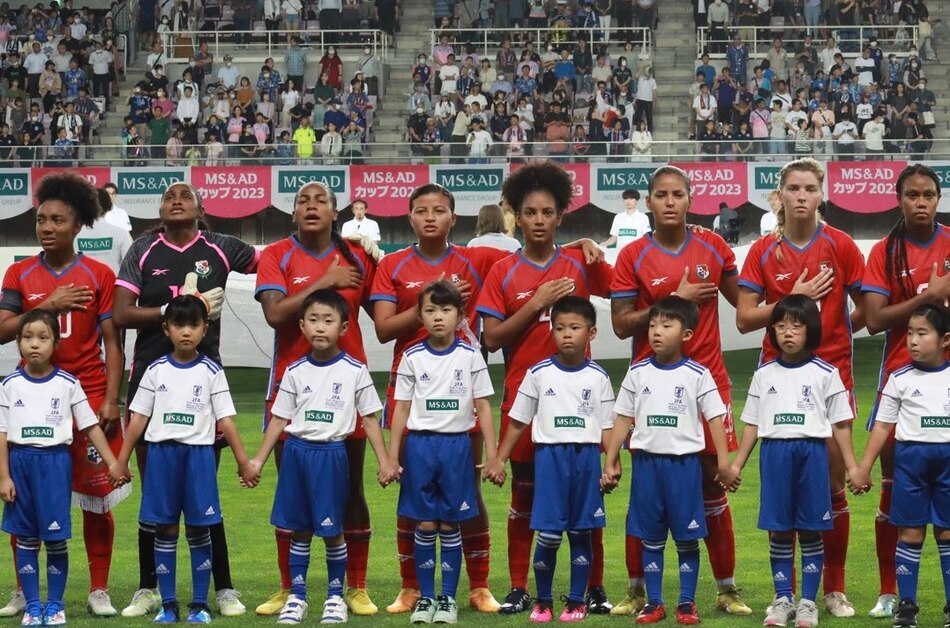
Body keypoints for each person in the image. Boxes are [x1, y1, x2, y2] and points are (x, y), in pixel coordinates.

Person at [113, 183, 259, 619]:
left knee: (203, 498)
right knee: (154, 499)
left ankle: (224, 588)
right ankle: (148, 588)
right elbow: (121, 313)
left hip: (202, 385)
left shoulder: (221, 247)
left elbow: (276, 260)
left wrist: (345, 245)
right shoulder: (142, 249)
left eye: (184, 195)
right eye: (168, 196)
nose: (176, 199)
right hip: (149, 381)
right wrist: (175, 308)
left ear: (199, 207)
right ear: (160, 209)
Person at [609, 166, 748, 618]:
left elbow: (745, 306)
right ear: (649, 201)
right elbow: (621, 324)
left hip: (707, 384)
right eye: (661, 195)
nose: (669, 202)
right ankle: (636, 591)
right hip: (650, 389)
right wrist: (676, 295)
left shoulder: (714, 246)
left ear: (690, 199)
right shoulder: (632, 255)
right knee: (645, 490)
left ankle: (727, 590)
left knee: (713, 485)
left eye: (677, 194)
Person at [476, 162, 614, 615]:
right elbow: (491, 339)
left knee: (586, 499)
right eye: (530, 212)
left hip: (580, 404)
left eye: (547, 212)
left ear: (560, 217)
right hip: (525, 400)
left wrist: (589, 246)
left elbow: (621, 289)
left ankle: (593, 587)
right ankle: (520, 587)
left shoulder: (579, 263)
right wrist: (536, 302)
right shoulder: (503, 271)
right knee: (525, 497)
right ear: (516, 216)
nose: (538, 220)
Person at [736, 157, 866, 619]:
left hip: (831, 375)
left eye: (810, 188)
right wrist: (795, 297)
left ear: (821, 195)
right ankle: (785, 595)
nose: (802, 196)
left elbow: (869, 310)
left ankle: (833, 589)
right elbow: (745, 318)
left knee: (831, 488)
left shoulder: (841, 244)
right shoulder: (762, 251)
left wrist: (832, 336)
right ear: (781, 195)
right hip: (778, 379)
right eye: (793, 188)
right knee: (785, 495)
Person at [371, 185, 509, 615]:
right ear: (409, 218)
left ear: (453, 217)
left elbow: (529, 254)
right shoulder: (393, 264)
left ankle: (478, 585)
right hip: (410, 390)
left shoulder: (476, 259)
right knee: (413, 495)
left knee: (468, 489)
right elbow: (383, 329)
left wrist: (581, 244)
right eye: (421, 210)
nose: (430, 217)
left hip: (461, 392)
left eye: (439, 210)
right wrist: (434, 302)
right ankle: (411, 587)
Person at [0, 173, 127, 619]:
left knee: (96, 499)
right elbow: (2, 330)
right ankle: (23, 589)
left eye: (57, 220)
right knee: (23, 498)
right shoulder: (19, 273)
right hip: (31, 400)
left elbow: (113, 343)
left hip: (87, 397)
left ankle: (98, 588)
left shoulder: (100, 274)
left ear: (78, 226)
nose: (47, 227)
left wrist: (111, 398)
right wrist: (46, 306)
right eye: (41, 219)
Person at [253, 182, 382, 618]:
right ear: (292, 213)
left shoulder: (357, 255)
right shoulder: (277, 255)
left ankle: (356, 587)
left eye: (321, 200)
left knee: (352, 491)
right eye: (302, 201)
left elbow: (384, 314)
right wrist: (325, 281)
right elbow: (275, 314)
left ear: (335, 211)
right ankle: (290, 588)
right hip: (292, 391)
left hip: (346, 391)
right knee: (293, 494)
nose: (311, 207)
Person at [247, 289, 390, 624]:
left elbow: (370, 419)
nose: (320, 327)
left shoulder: (354, 370)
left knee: (332, 529)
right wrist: (257, 461)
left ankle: (335, 597)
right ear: (302, 325)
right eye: (313, 320)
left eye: (328, 320)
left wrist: (385, 461)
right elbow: (279, 419)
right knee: (299, 529)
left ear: (343, 327)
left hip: (331, 455)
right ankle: (297, 597)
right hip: (297, 453)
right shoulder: (295, 371)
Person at [727, 295, 859, 627]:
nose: (788, 332)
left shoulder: (826, 373)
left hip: (812, 455)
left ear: (811, 329)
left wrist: (853, 467)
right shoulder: (764, 374)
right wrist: (736, 464)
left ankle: (807, 603)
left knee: (811, 530)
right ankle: (783, 599)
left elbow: (841, 425)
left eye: (797, 325)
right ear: (772, 330)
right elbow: (752, 424)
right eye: (781, 325)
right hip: (775, 456)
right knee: (781, 531)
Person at [603, 296, 736, 625]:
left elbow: (715, 418)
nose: (656, 332)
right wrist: (610, 459)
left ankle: (687, 603)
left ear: (686, 334)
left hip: (684, 467)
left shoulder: (697, 374)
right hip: (647, 467)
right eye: (652, 325)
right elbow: (622, 418)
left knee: (687, 538)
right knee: (651, 537)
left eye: (666, 325)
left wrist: (724, 463)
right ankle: (654, 602)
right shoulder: (637, 372)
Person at [485, 296, 614, 622]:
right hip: (549, 460)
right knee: (549, 534)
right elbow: (518, 421)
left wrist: (612, 462)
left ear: (591, 333)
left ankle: (576, 601)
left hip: (586, 460)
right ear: (551, 332)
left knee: (581, 531)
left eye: (575, 328)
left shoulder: (598, 377)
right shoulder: (538, 373)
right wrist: (498, 458)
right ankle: (543, 601)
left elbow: (608, 426)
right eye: (559, 328)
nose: (566, 334)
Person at [860, 164, 950, 620]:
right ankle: (889, 591)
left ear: (938, 199)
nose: (921, 202)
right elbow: (874, 320)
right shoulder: (885, 250)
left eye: (928, 194)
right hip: (902, 380)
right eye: (912, 195)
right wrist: (928, 297)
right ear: (899, 200)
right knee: (893, 491)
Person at [385, 280, 498, 624]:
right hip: (420, 447)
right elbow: (401, 409)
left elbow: (484, 405)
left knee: (450, 523)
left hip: (457, 447)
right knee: (424, 522)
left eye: (446, 310)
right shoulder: (412, 356)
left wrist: (493, 454)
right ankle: (426, 597)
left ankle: (448, 598)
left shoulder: (470, 355)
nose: (438, 317)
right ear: (420, 316)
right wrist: (392, 457)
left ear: (459, 315)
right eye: (430, 310)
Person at [0, 310, 121, 627]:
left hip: (55, 465)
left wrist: (113, 462)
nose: (34, 344)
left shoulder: (68, 384)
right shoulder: (10, 385)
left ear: (55, 343)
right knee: (26, 538)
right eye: (28, 337)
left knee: (55, 539)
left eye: (43, 338)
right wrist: (4, 476)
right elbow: (1, 433)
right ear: (18, 342)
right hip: (20, 463)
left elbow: (90, 426)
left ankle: (54, 605)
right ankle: (33, 606)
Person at [850, 303, 950, 628]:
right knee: (910, 532)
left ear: (945, 339)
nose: (913, 341)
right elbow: (882, 427)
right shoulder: (899, 379)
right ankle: (906, 606)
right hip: (910, 466)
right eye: (909, 333)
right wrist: (863, 467)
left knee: (947, 532)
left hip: (948, 465)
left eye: (922, 333)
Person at [77, 188, 133, 273]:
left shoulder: (73, 234)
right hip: (112, 280)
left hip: (82, 281)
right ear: (109, 206)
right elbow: (131, 265)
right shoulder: (120, 233)